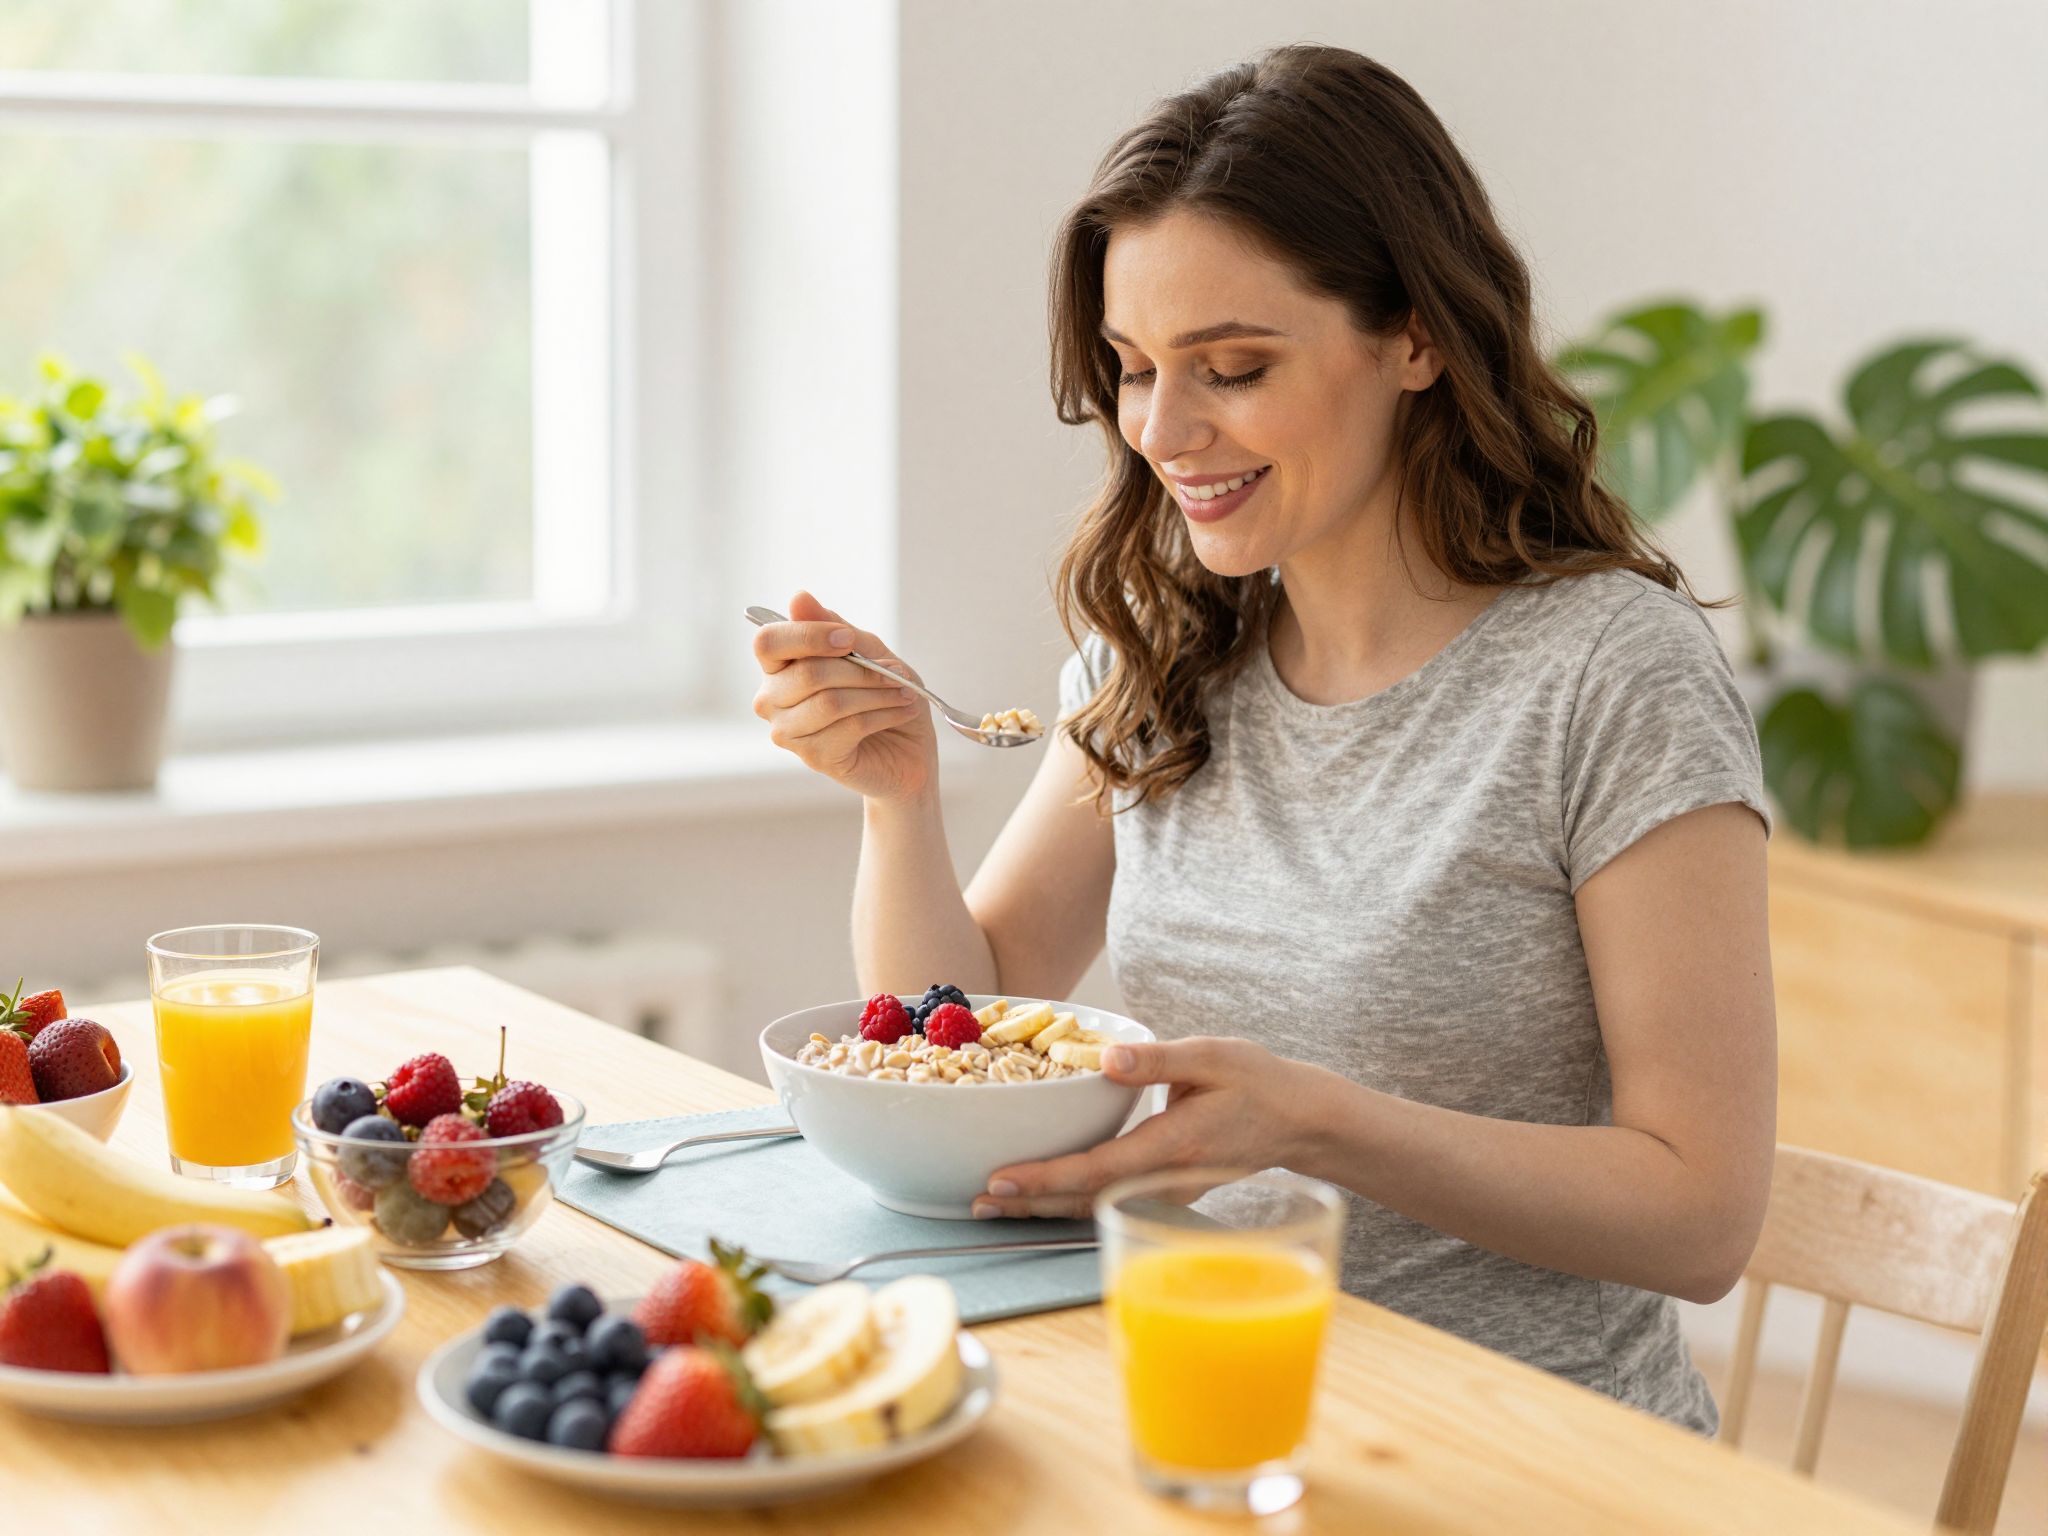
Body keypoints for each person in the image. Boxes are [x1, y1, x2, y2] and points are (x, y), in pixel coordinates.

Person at [749, 42, 1773, 1434]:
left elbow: (1702, 1215)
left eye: (1232, 368)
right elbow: (961, 1022)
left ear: (1416, 338)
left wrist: (1313, 1122)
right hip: (1214, 1402)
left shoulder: (1609, 675)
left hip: (1530, 1452)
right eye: (1133, 370)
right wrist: (900, 800)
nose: (1165, 431)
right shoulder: (1165, 647)